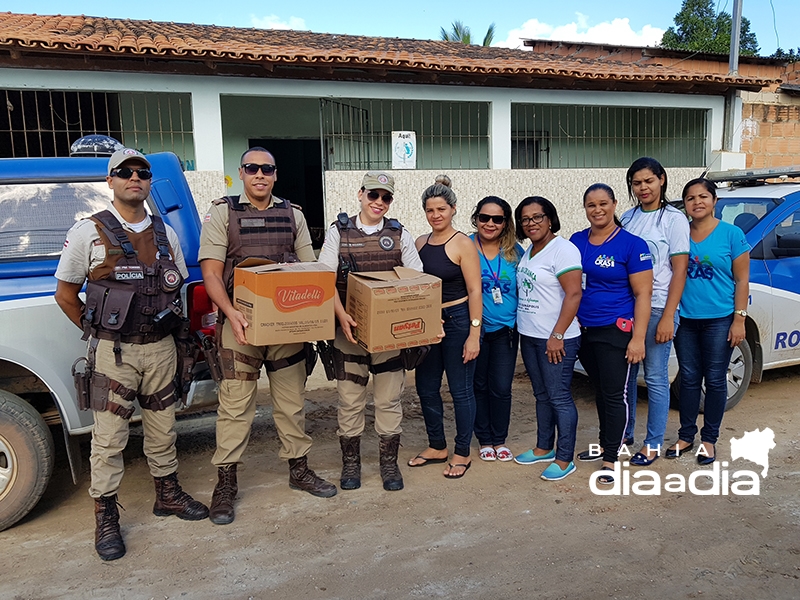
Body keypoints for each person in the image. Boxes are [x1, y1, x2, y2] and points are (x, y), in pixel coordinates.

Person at [54, 148, 208, 561]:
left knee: (163, 426)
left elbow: (174, 286)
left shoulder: (164, 234)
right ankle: (105, 516)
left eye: (142, 171)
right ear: (111, 182)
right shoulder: (89, 231)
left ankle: (168, 494)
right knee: (108, 439)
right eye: (124, 172)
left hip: (160, 349)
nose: (134, 177)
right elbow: (66, 295)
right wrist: (98, 333)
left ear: (148, 181)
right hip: (114, 353)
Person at [199, 146, 336, 525]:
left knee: (291, 402)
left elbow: (310, 269)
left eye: (268, 169)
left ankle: (299, 469)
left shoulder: (293, 215)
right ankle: (225, 482)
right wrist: (230, 314)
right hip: (238, 326)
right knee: (235, 406)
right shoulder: (223, 213)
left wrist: (310, 320)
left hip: (285, 324)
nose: (260, 174)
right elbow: (211, 273)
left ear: (276, 175)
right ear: (241, 173)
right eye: (252, 168)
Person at [317, 171, 423, 491]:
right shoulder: (339, 231)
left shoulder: (399, 233)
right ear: (361, 194)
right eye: (373, 195)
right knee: (350, 400)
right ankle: (351, 464)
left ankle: (388, 465)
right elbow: (325, 277)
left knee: (389, 400)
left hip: (389, 334)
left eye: (386, 197)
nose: (379, 202)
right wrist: (341, 315)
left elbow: (414, 277)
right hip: (348, 331)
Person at [570, 183, 652, 485]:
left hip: (616, 331)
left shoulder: (632, 244)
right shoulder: (577, 240)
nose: (598, 210)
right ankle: (607, 444)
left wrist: (638, 338)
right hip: (583, 330)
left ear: (614, 204)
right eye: (591, 205)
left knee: (616, 395)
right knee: (601, 391)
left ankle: (610, 458)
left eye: (603, 203)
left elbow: (643, 294)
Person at [666, 178, 750, 465]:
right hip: (685, 319)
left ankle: (709, 440)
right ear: (685, 205)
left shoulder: (731, 234)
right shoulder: (679, 234)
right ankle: (686, 435)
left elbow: (741, 280)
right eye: (690, 198)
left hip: (720, 319)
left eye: (703, 196)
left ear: (715, 201)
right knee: (688, 378)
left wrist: (739, 320)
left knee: (715, 379)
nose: (697, 202)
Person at [408, 175, 482, 479]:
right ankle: (437, 446)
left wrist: (474, 334)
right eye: (430, 210)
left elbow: (476, 291)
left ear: (452, 209)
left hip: (458, 321)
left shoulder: (463, 243)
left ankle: (462, 451)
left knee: (461, 390)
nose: (435, 215)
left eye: (441, 209)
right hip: (428, 323)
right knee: (426, 388)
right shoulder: (420, 243)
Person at [620, 157, 690, 466]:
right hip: (628, 307)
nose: (643, 187)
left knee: (657, 378)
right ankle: (623, 435)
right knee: (626, 377)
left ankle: (652, 443)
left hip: (660, 304)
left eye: (648, 180)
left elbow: (680, 269)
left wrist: (668, 316)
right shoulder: (628, 217)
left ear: (661, 179)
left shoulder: (674, 219)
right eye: (637, 183)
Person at [513, 197, 583, 481]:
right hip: (530, 335)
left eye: (537, 217)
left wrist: (557, 335)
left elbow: (574, 293)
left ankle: (565, 458)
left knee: (559, 397)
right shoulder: (530, 251)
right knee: (541, 395)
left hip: (555, 338)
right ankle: (544, 448)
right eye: (526, 219)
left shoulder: (563, 250)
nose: (531, 223)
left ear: (550, 219)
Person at [469, 196, 522, 463]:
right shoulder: (465, 245)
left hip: (506, 330)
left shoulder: (516, 251)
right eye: (484, 217)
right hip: (475, 331)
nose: (490, 224)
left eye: (497, 219)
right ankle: (485, 440)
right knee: (478, 385)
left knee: (501, 387)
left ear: (505, 223)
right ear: (476, 218)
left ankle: (499, 439)